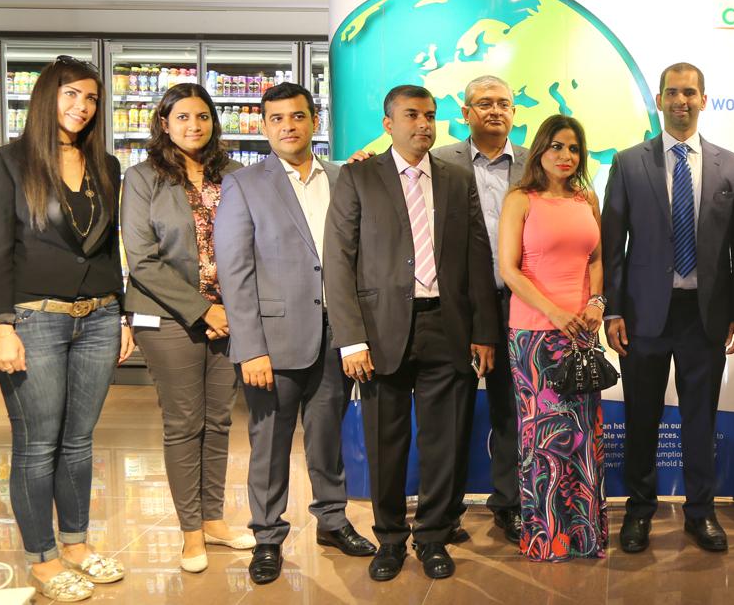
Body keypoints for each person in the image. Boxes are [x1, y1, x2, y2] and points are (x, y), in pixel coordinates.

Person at [324, 85, 498, 582]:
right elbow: (338, 260)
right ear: (388, 124)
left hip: (448, 325)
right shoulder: (359, 176)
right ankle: (390, 539)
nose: (423, 124)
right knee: (386, 441)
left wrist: (484, 330)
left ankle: (433, 536)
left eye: (430, 115)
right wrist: (351, 339)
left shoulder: (456, 178)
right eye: (412, 115)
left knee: (446, 441)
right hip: (381, 330)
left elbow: (477, 258)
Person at [0, 55, 134, 602]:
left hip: (99, 317)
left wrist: (122, 314)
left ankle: (76, 544)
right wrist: (1, 326)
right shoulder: (6, 163)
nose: (82, 106)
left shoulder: (106, 165)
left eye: (91, 98)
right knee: (36, 443)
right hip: (34, 319)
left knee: (79, 441)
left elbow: (110, 247)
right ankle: (42, 560)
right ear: (47, 97)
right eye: (71, 94)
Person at [213, 82, 376, 586]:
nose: (288, 126)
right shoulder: (244, 184)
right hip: (273, 341)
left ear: (314, 120)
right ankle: (267, 535)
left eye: (298, 116)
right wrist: (250, 348)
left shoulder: (342, 177)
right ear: (264, 126)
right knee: (269, 443)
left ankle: (333, 520)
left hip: (334, 335)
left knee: (328, 437)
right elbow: (234, 271)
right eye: (277, 118)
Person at [601, 62, 734, 554]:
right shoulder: (629, 163)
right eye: (672, 92)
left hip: (705, 317)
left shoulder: (733, 166)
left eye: (690, 92)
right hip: (643, 315)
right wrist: (612, 310)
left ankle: (701, 512)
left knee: (700, 420)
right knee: (642, 418)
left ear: (703, 100)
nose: (680, 101)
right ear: (660, 100)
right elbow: (613, 245)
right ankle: (639, 511)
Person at [121, 83, 252, 574]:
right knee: (184, 423)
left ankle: (214, 520)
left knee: (219, 421)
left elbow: (253, 244)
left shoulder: (235, 175)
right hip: (168, 317)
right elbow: (142, 259)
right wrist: (204, 311)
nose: (193, 126)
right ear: (164, 123)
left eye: (202, 116)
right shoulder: (142, 177)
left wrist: (231, 309)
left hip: (230, 315)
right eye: (182, 117)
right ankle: (190, 532)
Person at [499, 115, 607, 562]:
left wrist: (596, 303)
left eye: (574, 148)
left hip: (582, 334)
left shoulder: (587, 198)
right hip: (535, 335)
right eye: (557, 147)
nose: (566, 156)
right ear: (540, 150)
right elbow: (509, 270)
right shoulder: (520, 199)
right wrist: (554, 311)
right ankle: (546, 537)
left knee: (582, 437)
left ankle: (584, 535)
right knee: (543, 442)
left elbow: (595, 259)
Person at [429, 75, 528, 543]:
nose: (495, 111)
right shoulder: (438, 161)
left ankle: (509, 505)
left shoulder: (534, 163)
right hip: (456, 305)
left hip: (518, 303)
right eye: (484, 103)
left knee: (512, 410)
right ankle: (444, 512)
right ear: (465, 113)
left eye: (503, 103)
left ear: (514, 113)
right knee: (451, 413)